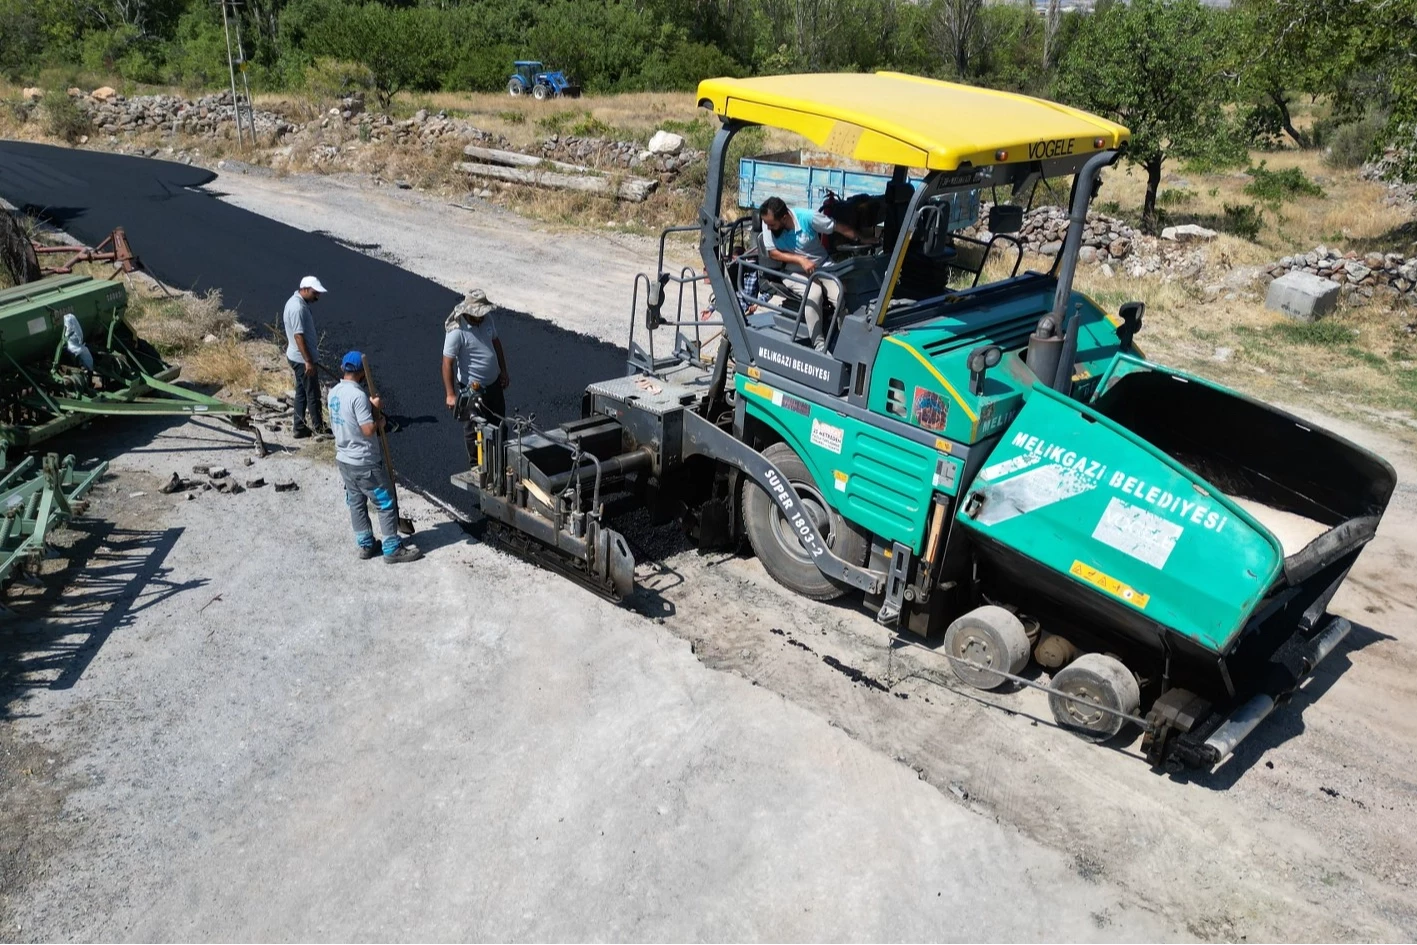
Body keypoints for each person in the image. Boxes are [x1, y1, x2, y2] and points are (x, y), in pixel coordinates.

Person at [329, 350, 423, 564]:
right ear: (362, 373)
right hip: (364, 461)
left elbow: (349, 420)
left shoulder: (333, 392)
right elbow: (367, 429)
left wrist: (371, 408)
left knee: (356, 502)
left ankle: (366, 544)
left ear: (343, 369)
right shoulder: (358, 396)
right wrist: (379, 419)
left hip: (344, 459)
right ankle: (392, 548)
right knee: (385, 502)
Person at [759, 196, 874, 351]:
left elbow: (837, 227)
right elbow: (773, 253)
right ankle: (819, 343)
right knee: (814, 293)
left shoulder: (808, 218)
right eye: (767, 224)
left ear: (784, 217)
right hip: (794, 270)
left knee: (840, 295)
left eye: (772, 224)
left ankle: (846, 339)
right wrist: (800, 260)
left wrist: (862, 239)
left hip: (821, 266)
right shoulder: (768, 223)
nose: (768, 227)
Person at [441, 289, 510, 466]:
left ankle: (502, 461)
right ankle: (476, 466)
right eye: (478, 314)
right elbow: (447, 363)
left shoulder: (487, 319)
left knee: (499, 424)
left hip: (494, 385)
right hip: (472, 390)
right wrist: (450, 394)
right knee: (474, 429)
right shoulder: (457, 331)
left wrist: (503, 371)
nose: (482, 317)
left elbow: (496, 343)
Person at [284, 275, 327, 439]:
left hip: (298, 357)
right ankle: (320, 429)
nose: (318, 297)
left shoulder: (297, 303)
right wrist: (308, 361)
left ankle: (299, 426)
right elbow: (298, 336)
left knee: (301, 392)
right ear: (305, 289)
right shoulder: (297, 308)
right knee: (313, 394)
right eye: (315, 293)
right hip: (302, 360)